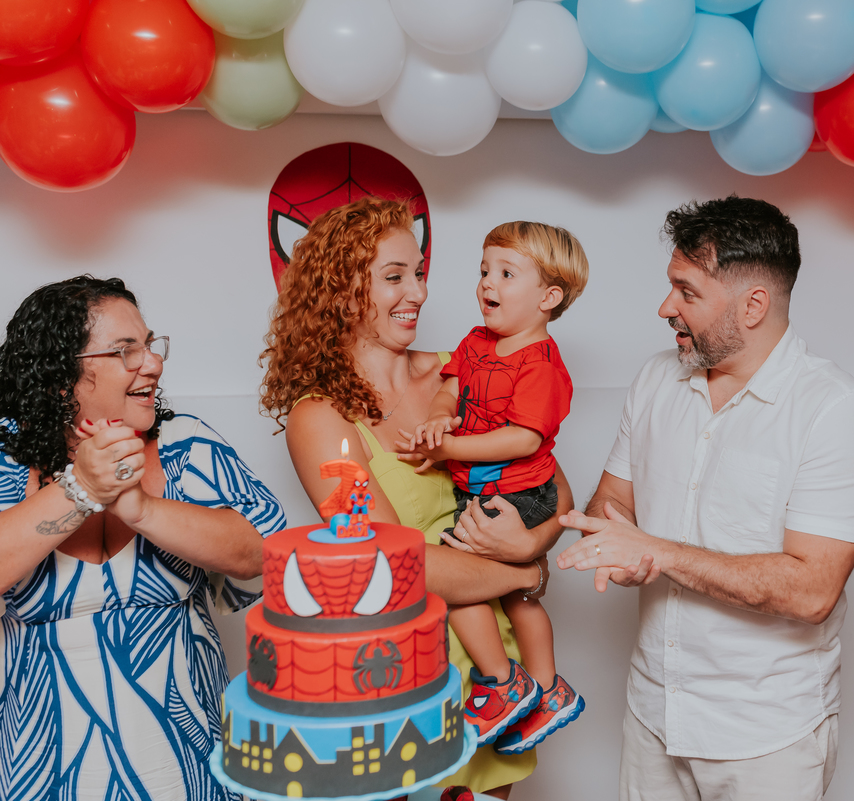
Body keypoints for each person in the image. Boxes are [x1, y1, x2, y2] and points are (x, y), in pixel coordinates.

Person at [557, 196, 854, 801]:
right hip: (652, 713)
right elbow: (612, 508)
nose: (666, 308)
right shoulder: (656, 378)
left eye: (686, 292)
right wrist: (621, 547)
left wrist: (658, 552)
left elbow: (811, 590)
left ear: (753, 305)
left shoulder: (835, 410)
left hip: (767, 737)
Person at [260, 197, 573, 799]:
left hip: (493, 675)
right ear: (343, 289)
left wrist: (532, 539)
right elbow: (391, 561)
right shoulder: (321, 419)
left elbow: (553, 484)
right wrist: (522, 571)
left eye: (420, 274)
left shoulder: (458, 375)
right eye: (394, 277)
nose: (420, 294)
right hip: (395, 674)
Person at [0, 276, 286, 801]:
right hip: (45, 775)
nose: (152, 363)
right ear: (62, 378)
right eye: (124, 351)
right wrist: (81, 488)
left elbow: (262, 553)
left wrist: (142, 508)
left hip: (193, 769)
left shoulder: (185, 444)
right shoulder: (6, 459)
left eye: (150, 345)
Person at [401, 222, 588, 755]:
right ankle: (548, 691)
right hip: (481, 493)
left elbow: (525, 439)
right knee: (509, 591)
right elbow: (450, 390)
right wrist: (441, 420)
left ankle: (510, 686)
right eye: (485, 270)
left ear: (549, 298)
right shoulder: (476, 341)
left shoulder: (541, 365)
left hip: (524, 495)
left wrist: (448, 450)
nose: (488, 283)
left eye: (507, 273)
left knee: (457, 581)